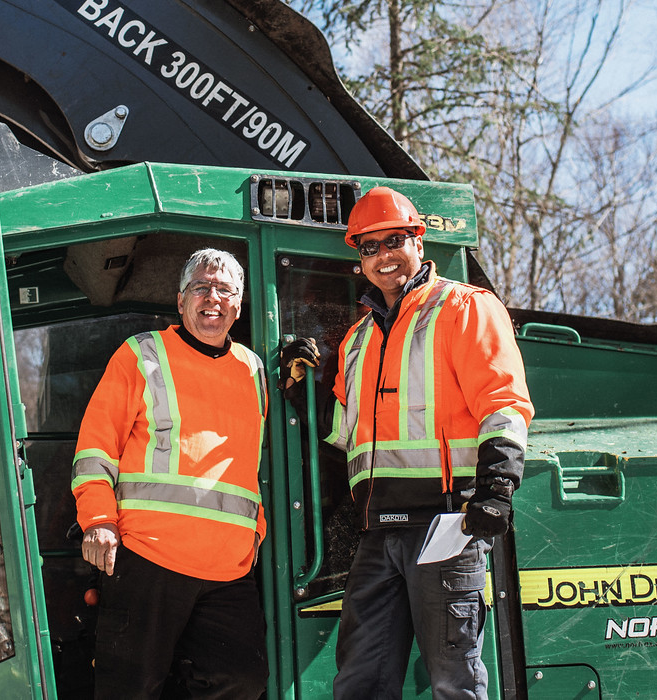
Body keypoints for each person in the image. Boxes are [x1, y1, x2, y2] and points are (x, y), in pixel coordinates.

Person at [282, 186, 532, 700]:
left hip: (446, 524)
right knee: (360, 682)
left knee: (453, 680)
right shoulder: (357, 340)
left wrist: (497, 487)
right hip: (378, 533)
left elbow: (503, 402)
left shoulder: (465, 307)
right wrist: (300, 394)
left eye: (392, 240)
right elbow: (345, 433)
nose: (382, 257)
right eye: (368, 248)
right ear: (359, 261)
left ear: (418, 240)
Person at [71, 248, 269, 700]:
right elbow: (96, 445)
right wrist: (99, 521)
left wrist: (255, 533)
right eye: (201, 287)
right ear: (180, 302)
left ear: (239, 306)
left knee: (242, 681)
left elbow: (250, 462)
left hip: (229, 570)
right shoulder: (142, 354)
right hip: (147, 558)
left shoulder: (254, 370)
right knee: (129, 689)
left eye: (224, 290)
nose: (212, 298)